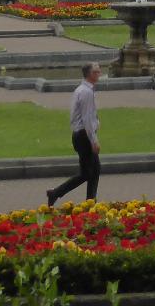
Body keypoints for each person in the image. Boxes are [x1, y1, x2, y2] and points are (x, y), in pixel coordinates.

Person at [47, 63, 102, 205]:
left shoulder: (82, 90)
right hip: (84, 136)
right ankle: (58, 193)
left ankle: (89, 201)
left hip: (80, 135)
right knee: (89, 172)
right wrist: (94, 140)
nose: (99, 73)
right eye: (96, 71)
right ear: (90, 74)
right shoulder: (86, 92)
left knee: (93, 170)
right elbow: (87, 118)